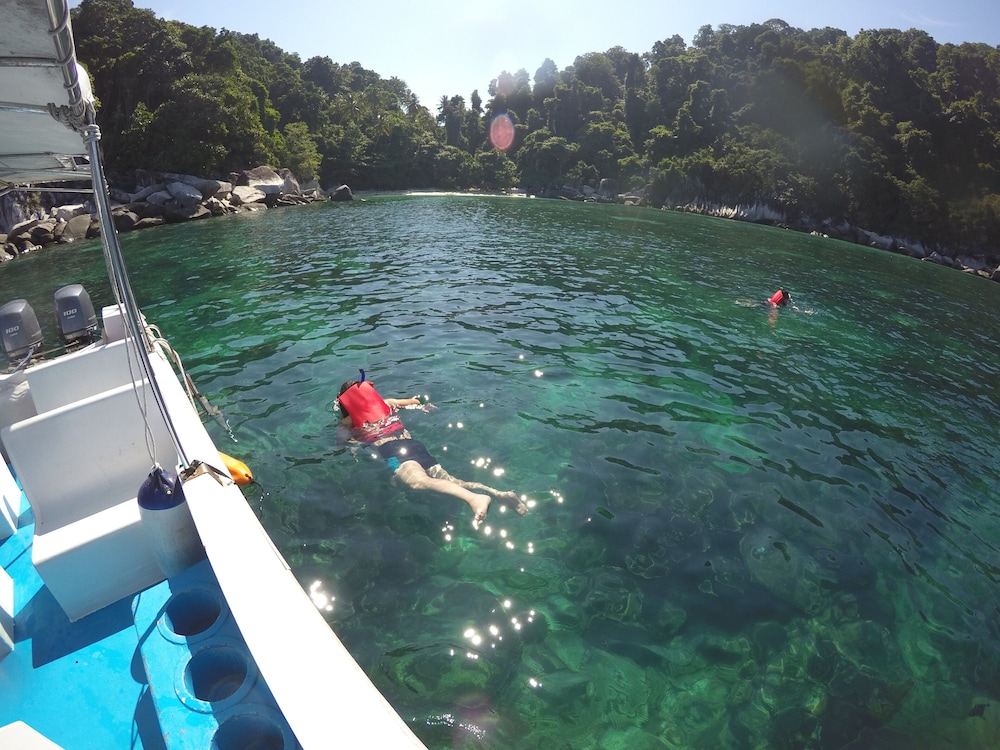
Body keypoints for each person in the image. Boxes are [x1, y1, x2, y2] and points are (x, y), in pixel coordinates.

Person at [336, 371, 528, 527]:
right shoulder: (387, 403)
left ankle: (475, 499)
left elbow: (342, 444)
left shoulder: (347, 421)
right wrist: (423, 408)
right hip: (415, 445)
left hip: (391, 450)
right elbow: (415, 403)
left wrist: (354, 445)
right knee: (453, 482)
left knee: (418, 482)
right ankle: (498, 494)